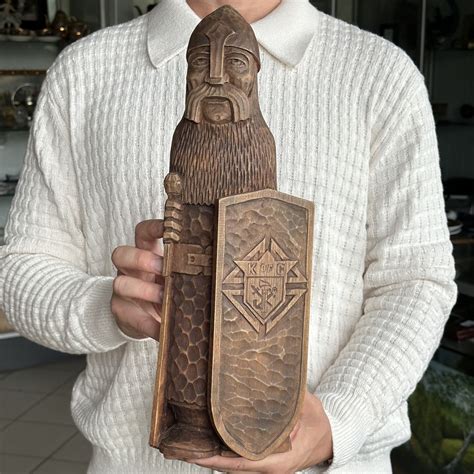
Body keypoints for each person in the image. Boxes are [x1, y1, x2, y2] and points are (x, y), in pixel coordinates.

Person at [0, 0, 457, 472]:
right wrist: (108, 306)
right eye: (204, 64)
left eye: (234, 63)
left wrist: (339, 419)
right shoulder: (85, 73)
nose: (216, 78)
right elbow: (21, 272)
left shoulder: (379, 75)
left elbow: (415, 281)